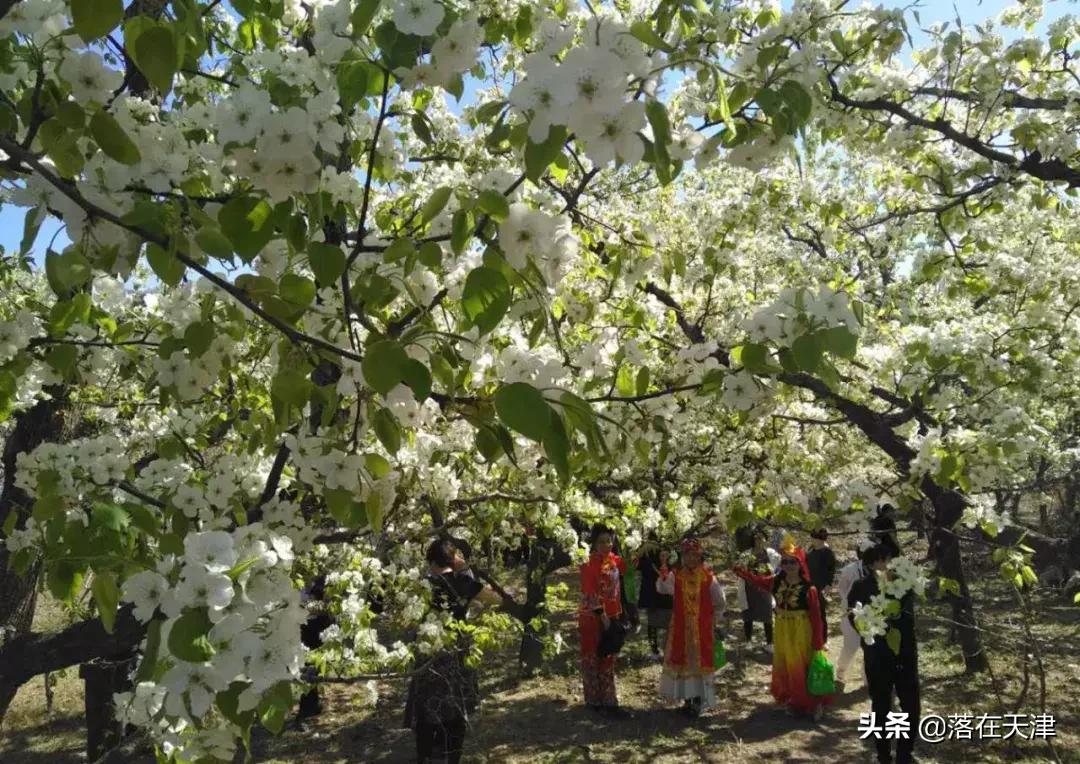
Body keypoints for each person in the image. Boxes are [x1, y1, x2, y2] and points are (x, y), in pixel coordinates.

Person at [404, 539, 502, 764]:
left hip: (428, 651)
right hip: (456, 650)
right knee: (456, 707)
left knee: (427, 708)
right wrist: (465, 569)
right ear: (453, 559)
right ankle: (451, 757)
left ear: (430, 560)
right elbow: (496, 599)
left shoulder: (421, 585)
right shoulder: (463, 582)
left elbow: (407, 623)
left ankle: (425, 757)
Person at [734, 534, 832, 720]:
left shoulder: (808, 589)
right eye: (785, 562)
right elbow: (759, 581)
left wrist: (818, 642)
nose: (788, 566)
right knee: (786, 663)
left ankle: (812, 703)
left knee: (802, 665)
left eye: (792, 563)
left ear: (800, 564)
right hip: (782, 629)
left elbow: (816, 618)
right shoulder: (776, 581)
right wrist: (742, 573)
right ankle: (793, 699)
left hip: (801, 630)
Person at [848, 540, 919, 764]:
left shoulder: (904, 583)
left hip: (905, 653)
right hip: (877, 655)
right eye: (879, 560)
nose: (885, 564)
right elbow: (854, 616)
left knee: (911, 705)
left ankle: (905, 754)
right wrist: (869, 624)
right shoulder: (860, 587)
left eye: (888, 559)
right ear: (870, 564)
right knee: (881, 705)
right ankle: (883, 754)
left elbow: (908, 617)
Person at [657, 538, 726, 717]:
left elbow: (720, 601)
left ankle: (698, 701)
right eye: (688, 555)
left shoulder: (708, 577)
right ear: (683, 557)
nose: (692, 558)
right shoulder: (677, 576)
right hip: (681, 628)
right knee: (684, 664)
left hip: (701, 629)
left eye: (695, 555)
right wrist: (663, 566)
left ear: (700, 556)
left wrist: (713, 619)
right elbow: (662, 588)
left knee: (698, 664)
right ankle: (688, 699)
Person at [578, 524, 628, 715]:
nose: (606, 545)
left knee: (608, 657)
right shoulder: (588, 563)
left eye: (609, 540)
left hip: (612, 615)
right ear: (594, 543)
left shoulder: (614, 560)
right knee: (592, 658)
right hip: (592, 617)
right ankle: (594, 701)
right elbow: (589, 593)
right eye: (601, 541)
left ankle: (609, 700)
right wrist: (603, 616)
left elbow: (630, 565)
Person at [834, 537, 877, 687]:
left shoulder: (879, 572)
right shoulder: (849, 570)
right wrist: (849, 604)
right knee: (850, 646)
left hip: (872, 615)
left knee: (870, 648)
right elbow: (842, 589)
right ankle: (841, 670)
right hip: (851, 613)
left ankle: (868, 678)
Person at [737, 529, 778, 652]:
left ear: (765, 539)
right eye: (756, 538)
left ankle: (769, 643)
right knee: (748, 615)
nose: (758, 540)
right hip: (749, 589)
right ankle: (748, 641)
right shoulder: (746, 554)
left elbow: (779, 566)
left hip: (764, 589)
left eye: (761, 537)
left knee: (767, 615)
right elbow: (740, 569)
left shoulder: (771, 553)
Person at [635, 534, 674, 660]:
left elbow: (637, 566)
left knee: (655, 622)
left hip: (654, 590)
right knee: (662, 621)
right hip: (659, 591)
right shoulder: (664, 549)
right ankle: (662, 649)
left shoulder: (646, 551)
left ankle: (656, 649)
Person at [806, 528, 837, 641]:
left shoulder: (827, 552)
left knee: (821, 614)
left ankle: (824, 639)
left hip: (821, 587)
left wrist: (828, 585)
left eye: (813, 537)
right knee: (810, 612)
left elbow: (831, 570)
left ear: (819, 539)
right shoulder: (810, 551)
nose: (812, 539)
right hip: (810, 586)